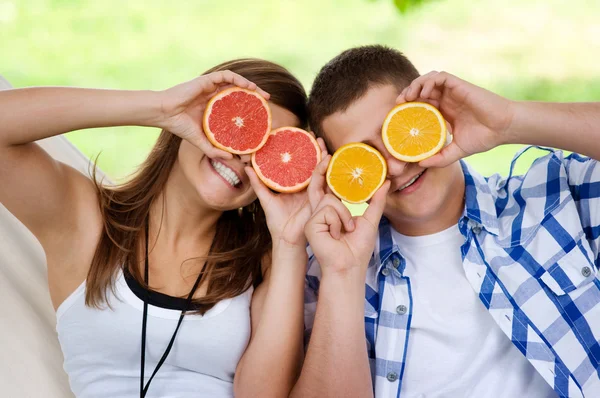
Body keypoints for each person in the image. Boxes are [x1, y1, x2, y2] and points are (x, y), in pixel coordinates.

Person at [292, 45, 600, 398]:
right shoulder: (330, 274)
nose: (394, 167)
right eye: (367, 155)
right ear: (339, 174)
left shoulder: (555, 198)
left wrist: (509, 121)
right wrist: (344, 276)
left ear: (431, 115)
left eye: (399, 135)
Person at [0, 58, 314, 398]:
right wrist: (159, 107)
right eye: (239, 128)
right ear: (200, 115)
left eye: (267, 151)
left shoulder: (265, 262)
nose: (243, 156)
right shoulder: (84, 219)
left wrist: (289, 244)